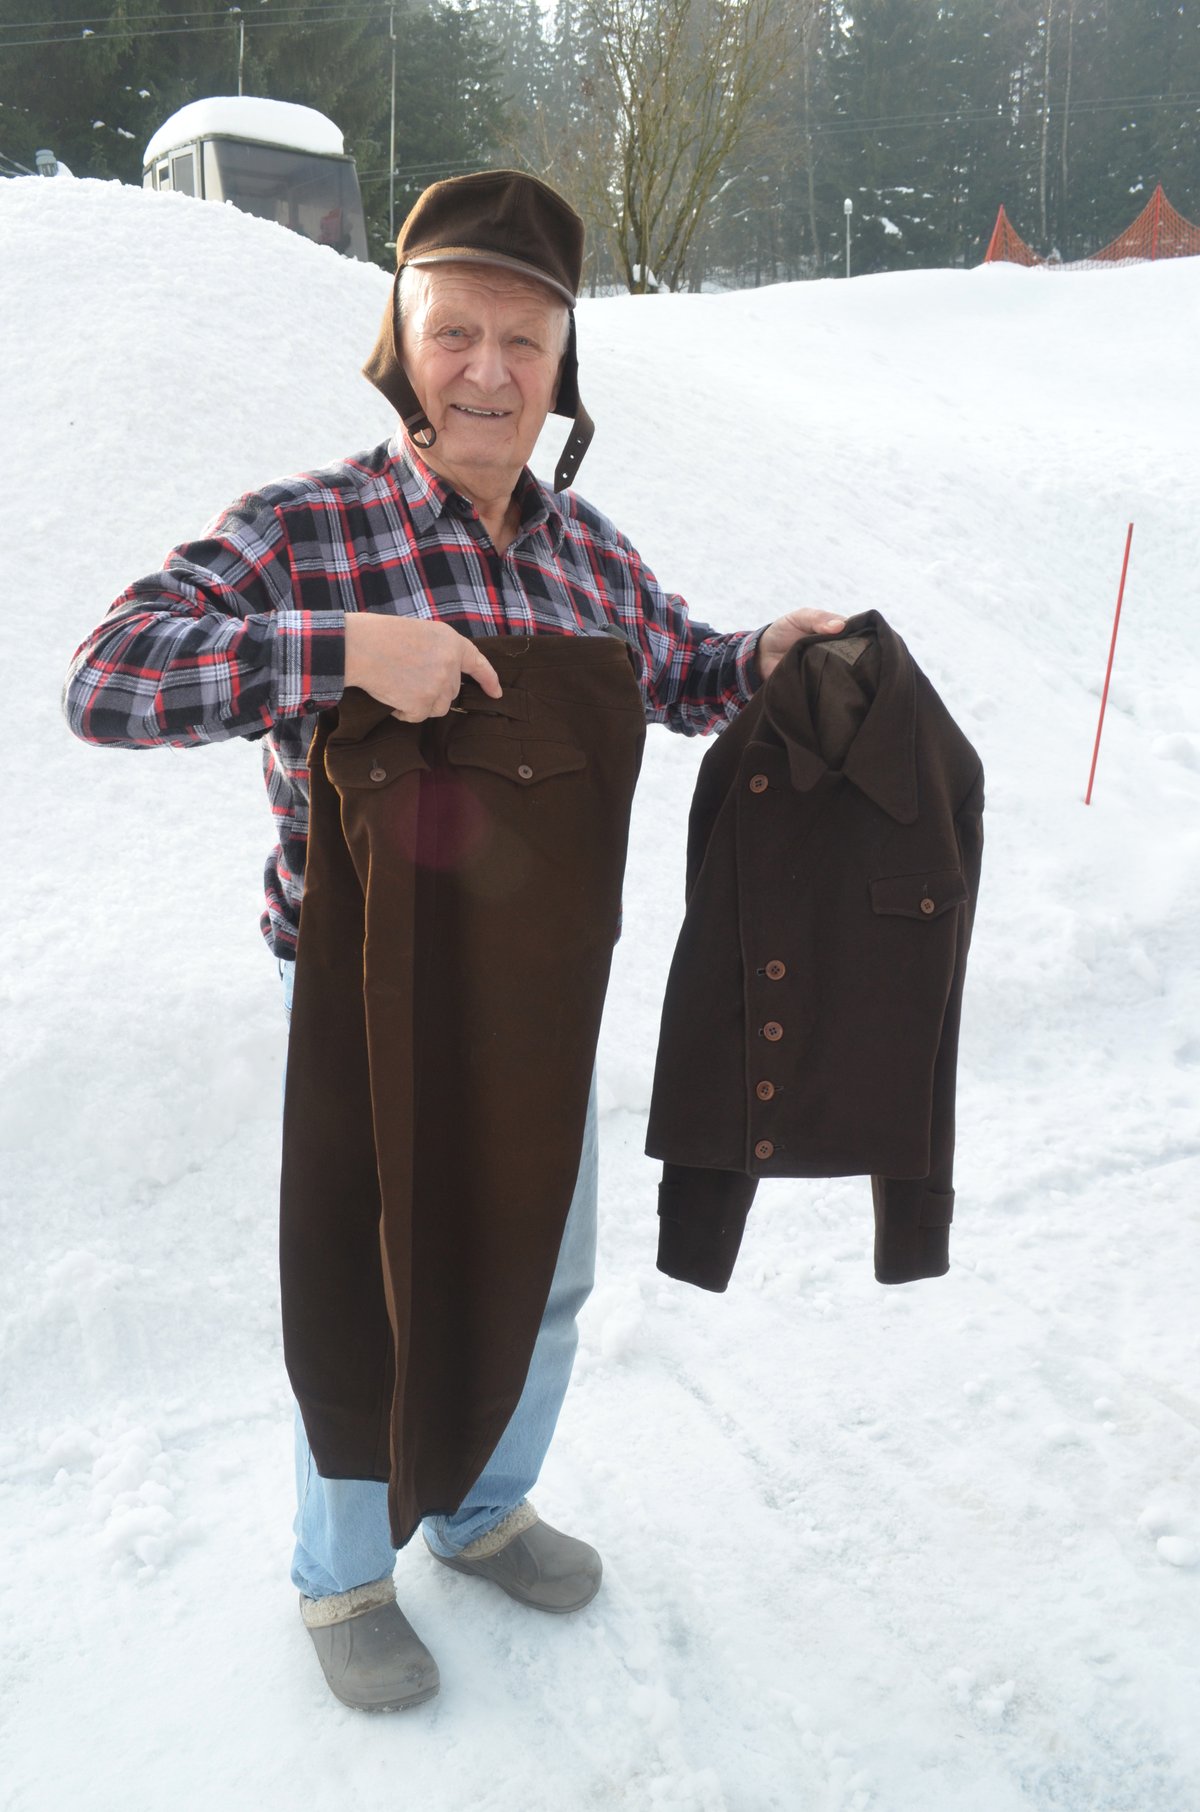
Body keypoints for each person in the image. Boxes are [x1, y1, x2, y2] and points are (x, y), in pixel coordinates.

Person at [63, 169, 844, 1712]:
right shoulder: (306, 529)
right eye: (455, 331)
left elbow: (679, 670)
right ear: (398, 342)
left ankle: (483, 1513)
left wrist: (766, 655)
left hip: (539, 989)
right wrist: (352, 646)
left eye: (526, 343)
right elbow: (110, 677)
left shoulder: (586, 554)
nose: (489, 372)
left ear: (564, 373)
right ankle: (343, 1574)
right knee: (372, 1287)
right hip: (360, 997)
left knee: (546, 1274)